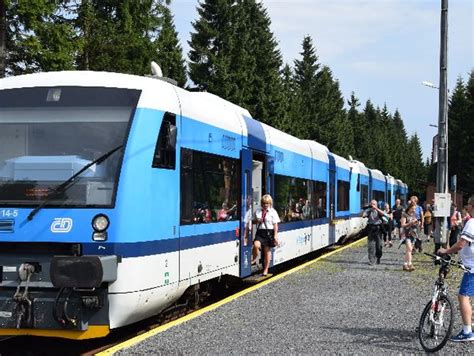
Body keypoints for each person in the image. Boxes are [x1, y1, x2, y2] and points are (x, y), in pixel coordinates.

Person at [438, 195, 474, 342]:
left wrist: (445, 251)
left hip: (472, 268)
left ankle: (467, 332)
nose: (467, 206)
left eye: (468, 204)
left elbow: (461, 244)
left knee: (463, 296)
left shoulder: (472, 222)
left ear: (472, 206)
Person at [252, 194, 280, 276]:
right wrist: (257, 221)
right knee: (256, 245)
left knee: (267, 252)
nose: (265, 205)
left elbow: (275, 225)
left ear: (270, 203)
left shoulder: (273, 212)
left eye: (267, 203)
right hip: (260, 232)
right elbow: (253, 221)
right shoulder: (258, 211)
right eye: (264, 203)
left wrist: (275, 235)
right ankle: (254, 259)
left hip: (269, 232)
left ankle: (266, 269)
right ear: (261, 203)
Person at [362, 199, 387, 265]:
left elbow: (384, 214)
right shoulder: (369, 211)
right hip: (371, 229)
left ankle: (378, 257)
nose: (372, 205)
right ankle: (371, 260)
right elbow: (363, 215)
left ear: (376, 205)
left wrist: (376, 209)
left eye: (374, 204)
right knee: (371, 246)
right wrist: (366, 211)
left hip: (378, 229)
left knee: (379, 246)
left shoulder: (378, 210)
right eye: (371, 204)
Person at [400, 203, 418, 271]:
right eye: (413, 209)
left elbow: (416, 222)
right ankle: (410, 264)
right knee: (410, 249)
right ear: (409, 208)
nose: (414, 210)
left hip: (413, 233)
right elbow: (403, 225)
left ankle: (405, 264)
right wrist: (411, 223)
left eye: (415, 209)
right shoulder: (404, 215)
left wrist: (416, 223)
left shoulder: (414, 214)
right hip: (406, 234)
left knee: (408, 250)